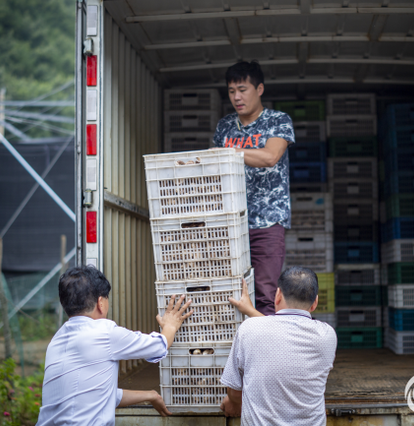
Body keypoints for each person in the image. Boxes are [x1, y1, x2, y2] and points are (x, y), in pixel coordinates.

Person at [36, 266, 193, 426]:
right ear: (100, 303)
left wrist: (150, 395)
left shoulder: (57, 340)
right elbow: (159, 345)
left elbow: (99, 394)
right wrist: (171, 325)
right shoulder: (104, 332)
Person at [212, 60, 296, 316]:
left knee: (266, 293)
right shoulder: (225, 126)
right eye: (231, 91)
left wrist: (229, 152)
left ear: (259, 89)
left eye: (242, 89)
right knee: (226, 291)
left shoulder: (277, 120)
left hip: (267, 223)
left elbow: (270, 157)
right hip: (230, 222)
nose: (237, 97)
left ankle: (266, 353)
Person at [219, 266, 337, 425]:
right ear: (315, 302)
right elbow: (285, 331)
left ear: (278, 295)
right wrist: (251, 311)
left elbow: (234, 391)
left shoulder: (249, 329)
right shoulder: (326, 336)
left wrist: (234, 403)